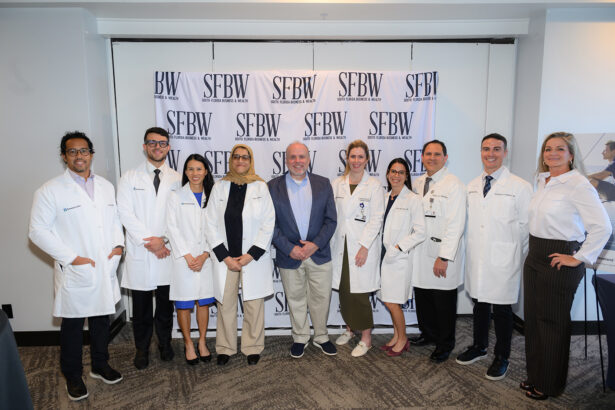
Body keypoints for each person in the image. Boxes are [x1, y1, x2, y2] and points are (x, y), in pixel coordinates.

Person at [29, 132, 124, 401]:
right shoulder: (50, 190)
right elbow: (37, 232)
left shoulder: (106, 186)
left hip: (104, 265)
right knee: (71, 327)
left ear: (91, 154)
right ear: (64, 156)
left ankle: (100, 364)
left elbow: (114, 220)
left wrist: (119, 246)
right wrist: (73, 258)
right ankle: (72, 375)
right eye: (72, 151)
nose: (79, 156)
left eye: (84, 151)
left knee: (101, 320)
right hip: (76, 269)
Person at [522, 132, 611, 400]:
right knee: (535, 322)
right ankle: (537, 375)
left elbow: (602, 227)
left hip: (559, 259)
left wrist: (578, 257)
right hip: (536, 255)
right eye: (548, 149)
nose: (552, 153)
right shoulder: (543, 181)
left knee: (552, 323)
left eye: (560, 149)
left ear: (571, 155)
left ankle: (549, 384)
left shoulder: (578, 184)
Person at [456, 134, 532, 380]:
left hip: (504, 260)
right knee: (479, 304)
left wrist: (510, 254)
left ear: (505, 152)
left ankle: (502, 356)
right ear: (480, 152)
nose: (491, 153)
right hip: (478, 258)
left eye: (496, 149)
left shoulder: (519, 186)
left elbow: (525, 227)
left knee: (501, 310)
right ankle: (479, 346)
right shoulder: (472, 185)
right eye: (486, 149)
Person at [117, 127, 182, 369]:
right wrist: (150, 240)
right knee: (142, 308)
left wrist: (163, 240)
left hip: (166, 251)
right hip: (142, 251)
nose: (157, 147)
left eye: (162, 143)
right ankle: (141, 349)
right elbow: (124, 212)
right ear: (144, 146)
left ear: (168, 147)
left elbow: (179, 216)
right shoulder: (129, 177)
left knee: (165, 306)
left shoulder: (177, 178)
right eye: (152, 143)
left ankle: (164, 344)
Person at [205, 144, 275, 366]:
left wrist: (250, 255)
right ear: (231, 160)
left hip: (251, 258)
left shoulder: (261, 187)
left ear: (251, 160)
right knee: (225, 304)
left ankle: (252, 346)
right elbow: (210, 224)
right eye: (236, 157)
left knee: (253, 303)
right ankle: (225, 347)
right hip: (226, 259)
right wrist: (224, 256)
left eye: (245, 157)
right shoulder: (220, 186)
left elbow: (268, 223)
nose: (240, 161)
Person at [268, 142, 338, 359]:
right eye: (293, 157)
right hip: (289, 256)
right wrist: (290, 249)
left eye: (302, 157)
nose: (297, 161)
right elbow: (270, 224)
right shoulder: (272, 187)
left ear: (308, 159)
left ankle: (321, 336)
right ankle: (300, 337)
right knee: (295, 298)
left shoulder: (323, 184)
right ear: (286, 160)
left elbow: (331, 220)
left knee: (321, 298)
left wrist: (314, 244)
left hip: (318, 253)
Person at [410, 140, 466, 363]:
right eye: (427, 154)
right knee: (423, 297)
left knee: (443, 301)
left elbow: (456, 224)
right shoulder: (418, 182)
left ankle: (445, 343)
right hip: (420, 251)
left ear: (445, 157)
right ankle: (429, 334)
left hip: (442, 254)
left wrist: (444, 256)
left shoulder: (454, 185)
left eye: (437, 154)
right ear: (422, 157)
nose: (431, 158)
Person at [331, 140, 385, 357]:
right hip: (340, 246)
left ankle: (366, 338)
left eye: (360, 156)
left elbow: (377, 218)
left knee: (360, 294)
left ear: (367, 159)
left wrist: (364, 247)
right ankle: (350, 329)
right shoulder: (337, 184)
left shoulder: (374, 185)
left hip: (362, 246)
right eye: (352, 156)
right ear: (347, 158)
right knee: (345, 291)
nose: (356, 161)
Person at [166, 154, 215, 365]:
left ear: (206, 172)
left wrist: (205, 254)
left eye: (199, 169)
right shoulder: (176, 196)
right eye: (191, 169)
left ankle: (202, 341)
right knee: (184, 304)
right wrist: (187, 255)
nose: (195, 173)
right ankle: (188, 343)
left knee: (203, 302)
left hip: (206, 258)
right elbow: (172, 228)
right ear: (185, 172)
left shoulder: (213, 196)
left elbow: (216, 229)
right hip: (183, 259)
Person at [379, 158, 425, 357]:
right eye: (393, 171)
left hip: (399, 258)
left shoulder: (413, 199)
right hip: (383, 256)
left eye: (400, 172)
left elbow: (420, 231)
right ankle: (397, 336)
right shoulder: (384, 196)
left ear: (406, 176)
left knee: (392, 302)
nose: (396, 175)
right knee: (389, 299)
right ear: (388, 174)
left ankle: (403, 338)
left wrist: (398, 247)